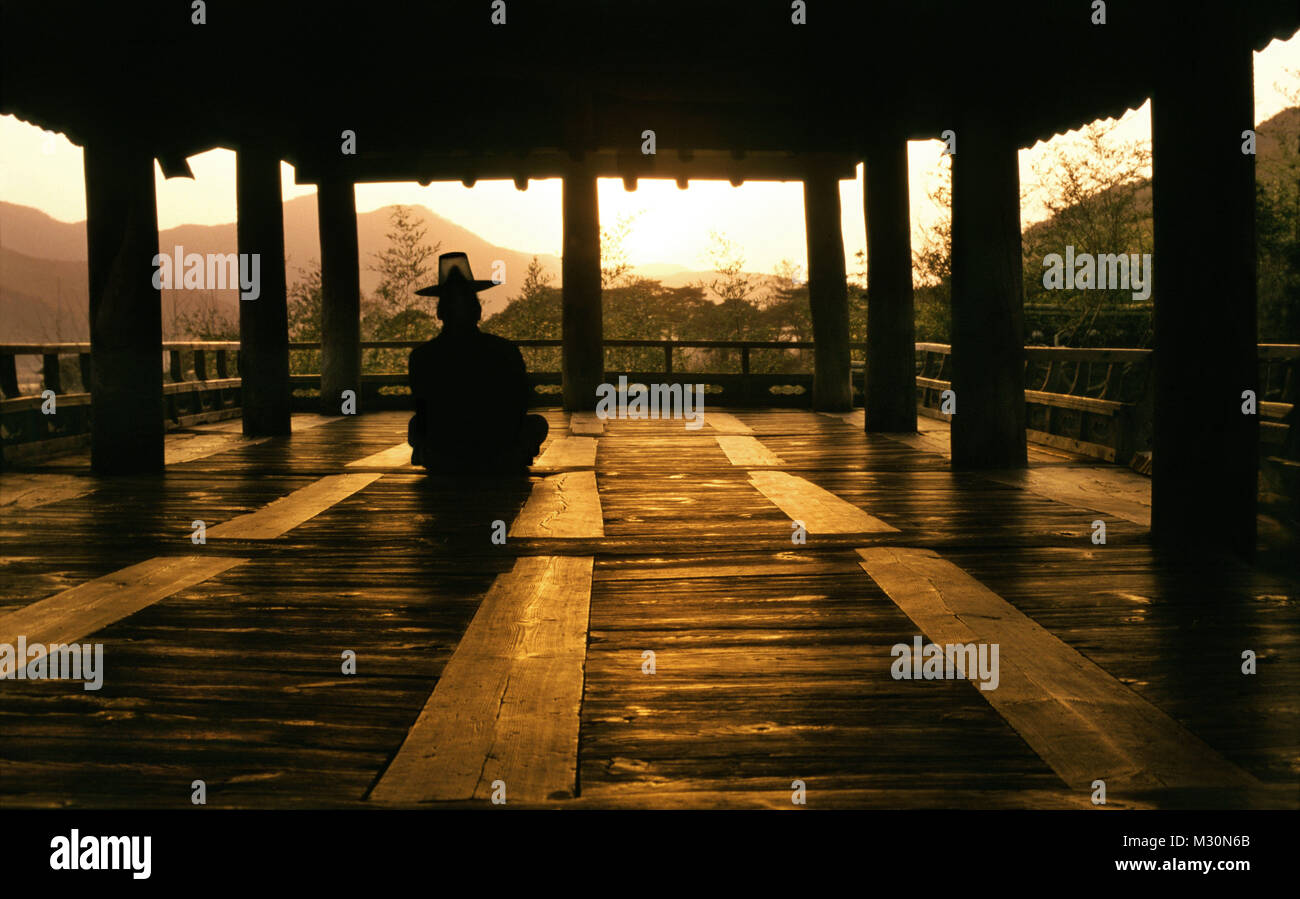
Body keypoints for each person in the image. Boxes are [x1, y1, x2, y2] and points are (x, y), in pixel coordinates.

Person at [407, 252, 548, 473]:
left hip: (445, 451)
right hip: (497, 449)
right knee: (537, 423)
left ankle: (433, 455)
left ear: (440, 313)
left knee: (415, 424)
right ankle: (512, 455)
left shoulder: (422, 356)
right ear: (478, 311)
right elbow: (521, 402)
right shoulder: (504, 350)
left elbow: (422, 410)